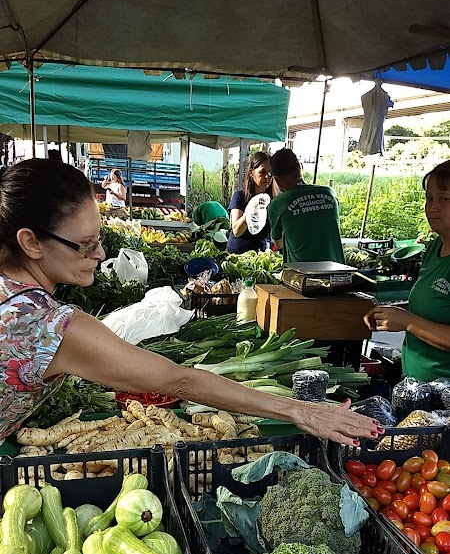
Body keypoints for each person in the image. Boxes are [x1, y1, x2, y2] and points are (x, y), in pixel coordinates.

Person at [0, 159, 383, 447]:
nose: (100, 254)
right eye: (85, 245)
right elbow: (178, 380)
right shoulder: (44, 325)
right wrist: (298, 410)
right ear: (30, 242)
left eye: (99, 239)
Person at [364, 160, 450, 382]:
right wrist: (391, 312)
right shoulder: (434, 248)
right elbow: (433, 306)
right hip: (417, 385)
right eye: (429, 198)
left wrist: (407, 322)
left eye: (444, 199)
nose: (432, 207)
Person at [268, 148, 345, 264]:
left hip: (304, 276)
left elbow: (278, 244)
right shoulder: (329, 193)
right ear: (300, 168)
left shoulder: (278, 204)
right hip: (338, 273)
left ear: (277, 180)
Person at [227, 151, 275, 254]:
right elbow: (236, 231)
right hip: (237, 255)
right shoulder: (239, 196)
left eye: (270, 173)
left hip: (260, 255)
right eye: (262, 172)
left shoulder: (272, 200)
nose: (267, 177)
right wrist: (250, 211)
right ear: (252, 173)